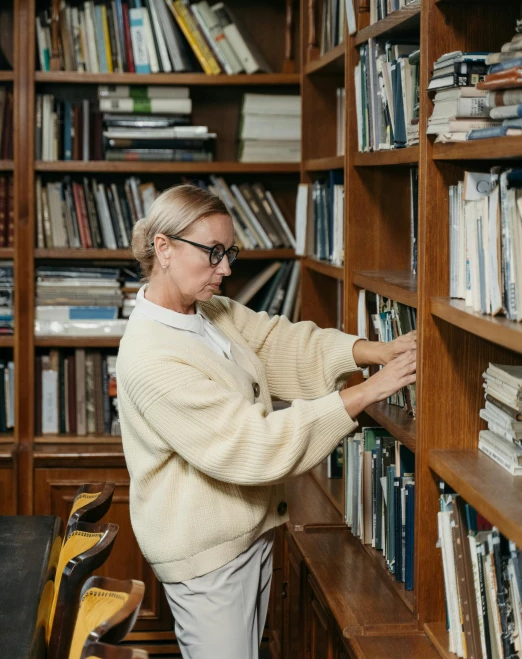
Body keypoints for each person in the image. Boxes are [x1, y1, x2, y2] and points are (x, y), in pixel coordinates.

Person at [116, 184, 416, 659]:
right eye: (213, 253)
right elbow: (250, 444)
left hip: (249, 532)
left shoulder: (208, 311)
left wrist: (372, 351)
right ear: (164, 248)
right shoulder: (150, 357)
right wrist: (368, 391)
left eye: (229, 252)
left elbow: (277, 343)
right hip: (208, 560)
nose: (227, 268)